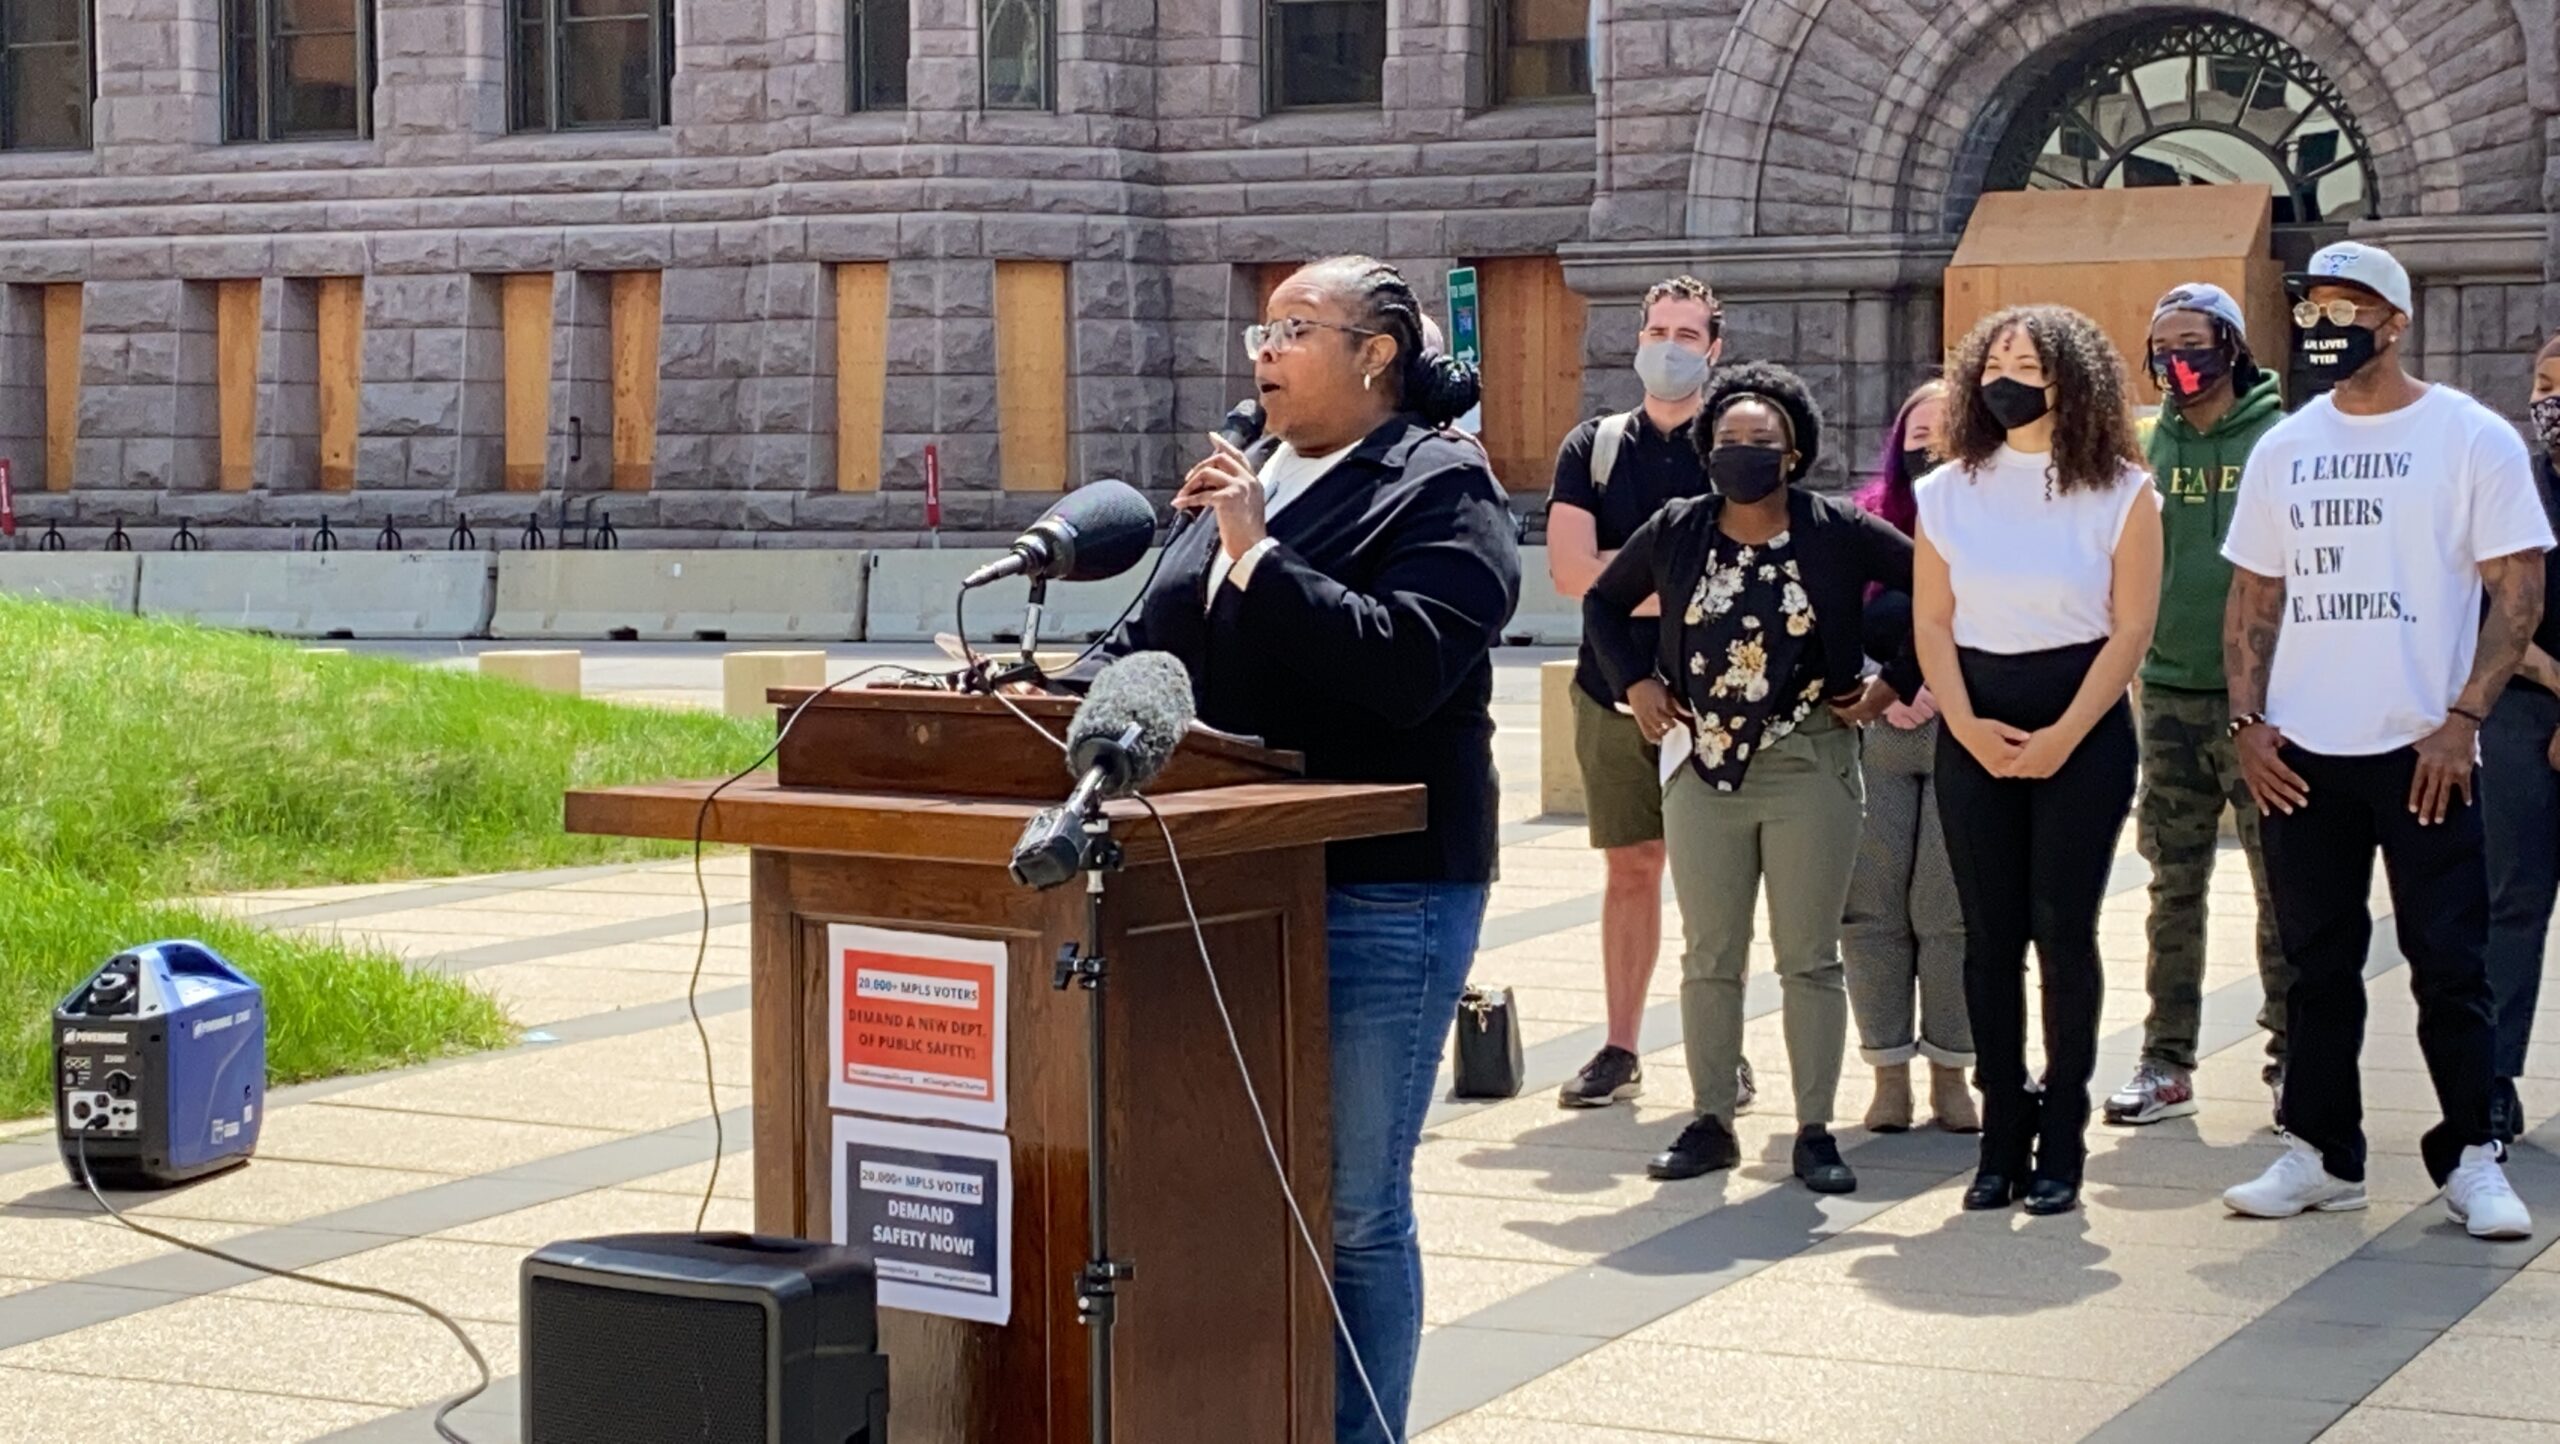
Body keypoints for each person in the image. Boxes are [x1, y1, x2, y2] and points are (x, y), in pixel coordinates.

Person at [1102, 254, 1522, 1441]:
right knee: (1229, 1187)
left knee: (1351, 1207)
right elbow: (1144, 647)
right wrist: (1042, 691)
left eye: (1293, 328)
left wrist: (1258, 555)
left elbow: (1403, 667)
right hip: (1222, 885)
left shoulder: (1441, 487)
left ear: (1375, 353)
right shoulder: (1247, 477)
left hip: (1379, 888)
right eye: (1261, 331)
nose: (1264, 354)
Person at [2219, 241, 2546, 1240]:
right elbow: (2253, 592)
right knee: (2314, 962)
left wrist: (2463, 719)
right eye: (2312, 304)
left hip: (2423, 750)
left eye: (2348, 305)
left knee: (2450, 960)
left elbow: (2517, 587)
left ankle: (2471, 1154)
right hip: (2303, 750)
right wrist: (2247, 722)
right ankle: (2322, 1152)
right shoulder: (2284, 445)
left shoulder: (2466, 438)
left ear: (2394, 322)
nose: (2325, 322)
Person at [1584, 362, 1917, 1194]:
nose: (1742, 451)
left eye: (1760, 440)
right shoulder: (1676, 527)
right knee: (1710, 956)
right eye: (1727, 439)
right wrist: (1637, 682)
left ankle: (1813, 1131)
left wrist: (1890, 685)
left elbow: (1940, 589)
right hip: (1702, 768)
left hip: (1809, 761)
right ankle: (1711, 1121)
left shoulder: (1834, 529)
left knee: (1808, 958)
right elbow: (1601, 604)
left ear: (1794, 452)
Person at [1913, 304, 2162, 1218]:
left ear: (2073, 379)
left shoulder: (2122, 489)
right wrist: (1969, 725)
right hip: (1976, 717)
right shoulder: (1949, 490)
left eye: (2028, 364)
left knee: (2065, 930)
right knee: (1989, 937)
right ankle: (1999, 1133)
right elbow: (1932, 623)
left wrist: (2065, 734)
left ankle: (2063, 1134)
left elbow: (2132, 626)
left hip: (2083, 721)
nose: (2005, 380)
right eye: (1993, 365)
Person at [1546, 275, 1752, 1114]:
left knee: (1719, 884)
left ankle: (1723, 1050)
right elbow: (1567, 573)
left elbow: (1743, 578)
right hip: (1610, 691)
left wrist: (1622, 580)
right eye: (1656, 328)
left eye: (1686, 331)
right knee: (1631, 871)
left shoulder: (1738, 443)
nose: (1668, 345)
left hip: (1719, 701)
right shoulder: (1592, 447)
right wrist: (1674, 583)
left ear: (1714, 348)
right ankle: (1620, 1044)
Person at [2106, 283, 2295, 1129]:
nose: (2176, 359)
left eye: (2193, 340)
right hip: (2173, 696)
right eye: (2161, 345)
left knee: (2281, 888)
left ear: (2230, 344)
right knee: (2171, 887)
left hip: (2268, 705)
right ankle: (2165, 1059)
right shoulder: (2147, 446)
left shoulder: (2283, 439)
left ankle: (2293, 1057)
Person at [1843, 379, 1979, 1134]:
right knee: (1871, 907)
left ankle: (1952, 1073)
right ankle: (1886, 1069)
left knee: (1946, 908)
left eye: (1945, 432)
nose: (1927, 446)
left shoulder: (1991, 523)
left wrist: (1941, 688)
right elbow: (1829, 625)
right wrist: (1882, 687)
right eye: (1915, 433)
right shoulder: (1865, 521)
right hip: (1880, 731)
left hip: (1964, 731)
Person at [2483, 331, 2560, 1143]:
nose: (2551, 403)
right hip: (2519, 701)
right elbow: (2497, 606)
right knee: (2512, 899)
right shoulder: (2516, 489)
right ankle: (2495, 1082)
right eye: (2542, 385)